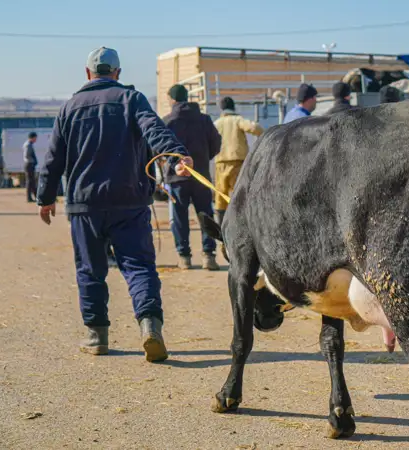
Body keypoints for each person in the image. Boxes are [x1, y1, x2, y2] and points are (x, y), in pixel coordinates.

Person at [37, 46, 192, 363]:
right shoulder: (131, 99)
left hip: (85, 204)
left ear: (87, 73)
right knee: (139, 267)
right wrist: (175, 154)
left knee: (90, 270)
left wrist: (45, 198)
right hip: (128, 201)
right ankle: (150, 326)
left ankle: (97, 337)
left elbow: (52, 159)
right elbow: (153, 128)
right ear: (118, 73)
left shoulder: (69, 108)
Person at [162, 84, 222, 271]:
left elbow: (159, 148)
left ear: (172, 99)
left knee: (179, 218)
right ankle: (209, 256)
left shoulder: (167, 121)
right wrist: (203, 160)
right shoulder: (204, 120)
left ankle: (184, 257)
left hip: (176, 178)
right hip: (201, 176)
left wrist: (171, 163)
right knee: (205, 214)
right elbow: (216, 143)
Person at [212, 96, 264, 225]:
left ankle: (222, 231)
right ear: (233, 107)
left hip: (220, 164)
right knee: (240, 196)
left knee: (220, 198)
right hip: (238, 164)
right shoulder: (237, 120)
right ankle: (241, 225)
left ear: (221, 108)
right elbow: (255, 128)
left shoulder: (217, 123)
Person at [24, 132, 38, 203]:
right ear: (32, 137)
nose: (36, 139)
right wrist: (33, 161)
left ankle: (34, 197)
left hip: (30, 164)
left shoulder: (29, 144)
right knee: (30, 182)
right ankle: (29, 198)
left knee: (32, 181)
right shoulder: (28, 145)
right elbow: (27, 155)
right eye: (35, 138)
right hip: (29, 164)